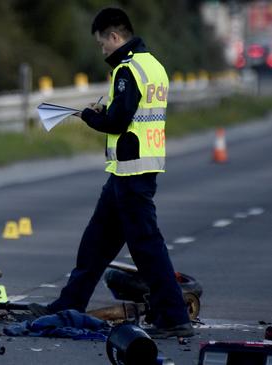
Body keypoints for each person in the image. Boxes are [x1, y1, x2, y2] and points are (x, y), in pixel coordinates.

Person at [29, 8, 193, 339]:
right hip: (132, 169)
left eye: (102, 43)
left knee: (147, 248)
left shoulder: (127, 70)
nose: (102, 50)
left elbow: (117, 122)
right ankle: (67, 305)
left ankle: (174, 317)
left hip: (133, 172)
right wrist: (109, 110)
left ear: (115, 37)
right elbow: (132, 113)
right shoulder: (153, 66)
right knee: (96, 245)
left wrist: (90, 116)